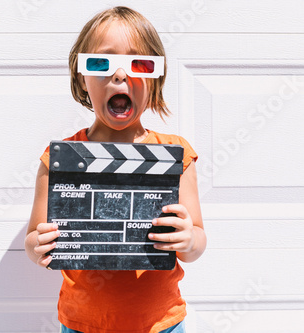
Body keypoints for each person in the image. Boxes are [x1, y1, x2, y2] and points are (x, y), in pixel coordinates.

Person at [24, 6, 206, 333]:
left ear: (155, 78)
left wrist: (189, 239)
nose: (120, 75)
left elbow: (198, 242)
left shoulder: (177, 156)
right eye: (101, 62)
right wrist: (38, 246)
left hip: (161, 324)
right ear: (82, 77)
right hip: (82, 325)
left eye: (138, 63)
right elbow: (33, 239)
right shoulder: (58, 160)